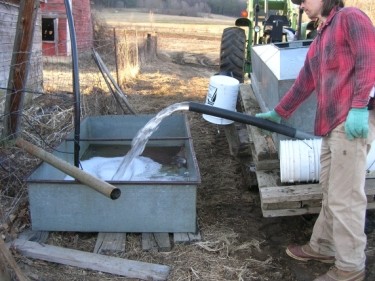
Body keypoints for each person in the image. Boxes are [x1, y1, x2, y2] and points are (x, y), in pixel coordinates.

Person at [256, 0, 375, 280]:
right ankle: (323, 246)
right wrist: (278, 112)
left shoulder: (351, 17)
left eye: (304, 0)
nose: (300, 6)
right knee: (331, 192)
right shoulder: (321, 35)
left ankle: (350, 269)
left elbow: (369, 60)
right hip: (332, 125)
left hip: (352, 122)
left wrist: (359, 106)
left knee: (346, 199)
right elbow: (304, 81)